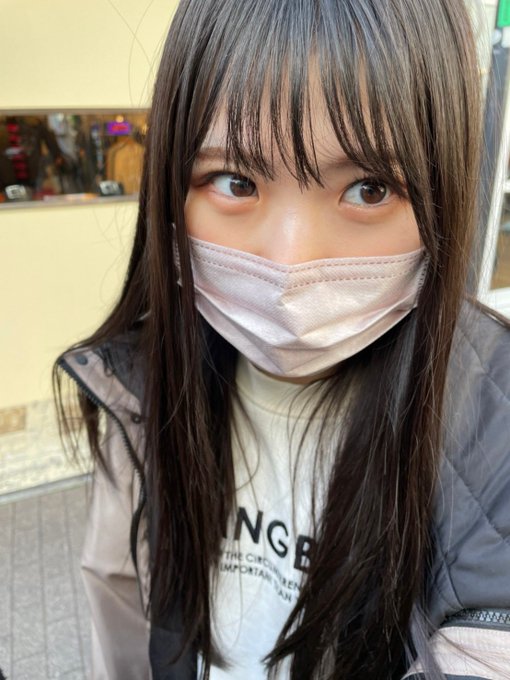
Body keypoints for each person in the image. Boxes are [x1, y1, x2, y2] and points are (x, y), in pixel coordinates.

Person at [54, 0, 510, 678]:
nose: (289, 264)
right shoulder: (139, 387)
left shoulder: (495, 436)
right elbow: (122, 614)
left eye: (370, 188)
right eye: (235, 182)